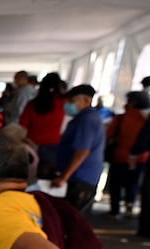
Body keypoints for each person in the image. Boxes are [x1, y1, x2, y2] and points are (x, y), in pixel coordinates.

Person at [55, 84, 106, 212]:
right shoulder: (84, 118)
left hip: (81, 178)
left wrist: (64, 177)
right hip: (80, 176)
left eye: (72, 101)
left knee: (71, 216)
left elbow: (82, 152)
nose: (68, 105)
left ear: (87, 101)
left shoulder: (87, 120)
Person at [105, 90, 149, 218]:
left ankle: (115, 210)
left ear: (132, 102)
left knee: (116, 184)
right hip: (140, 158)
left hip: (120, 156)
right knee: (133, 183)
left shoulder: (121, 118)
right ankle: (129, 205)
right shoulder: (146, 119)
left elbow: (109, 134)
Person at [20, 73, 67, 176]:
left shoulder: (32, 104)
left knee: (30, 176)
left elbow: (22, 125)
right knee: (47, 178)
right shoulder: (64, 103)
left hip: (31, 146)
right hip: (53, 148)